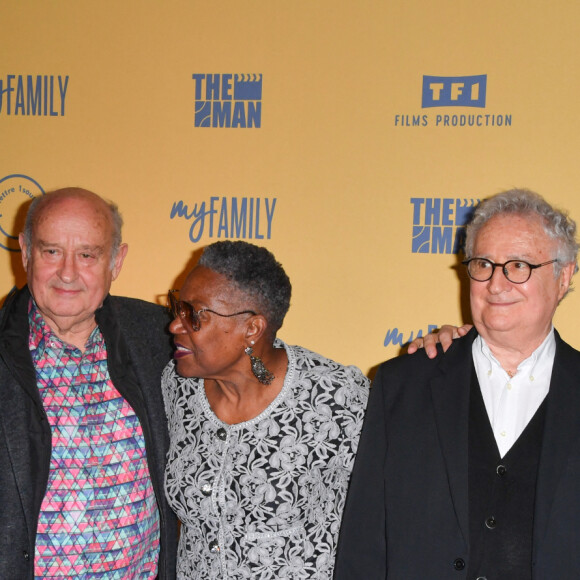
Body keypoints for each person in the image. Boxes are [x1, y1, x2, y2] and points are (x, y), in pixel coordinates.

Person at [335, 188, 580, 580]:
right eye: (483, 264)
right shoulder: (403, 384)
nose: (496, 284)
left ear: (563, 276)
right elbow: (364, 545)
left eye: (518, 266)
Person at [161, 240, 369, 579]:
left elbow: (400, 510)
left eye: (193, 314)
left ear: (252, 329)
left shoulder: (336, 397)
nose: (174, 325)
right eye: (176, 307)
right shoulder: (176, 386)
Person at [0, 188, 177, 578]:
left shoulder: (161, 336)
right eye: (50, 251)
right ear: (26, 251)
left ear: (116, 261)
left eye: (87, 255)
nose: (67, 273)